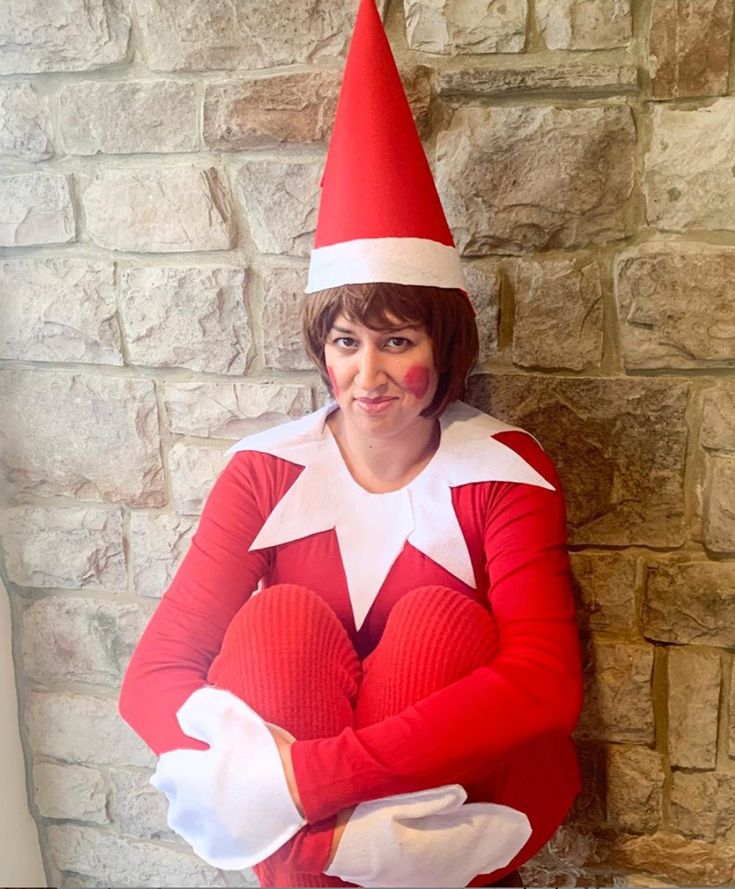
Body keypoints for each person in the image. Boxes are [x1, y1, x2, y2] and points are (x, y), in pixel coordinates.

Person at [118, 1, 583, 886]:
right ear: (320, 350)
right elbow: (155, 675)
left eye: (397, 339)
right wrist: (271, 804)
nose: (367, 372)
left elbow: (541, 682)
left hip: (454, 803)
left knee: (440, 625)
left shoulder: (505, 472)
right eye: (344, 342)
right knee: (279, 620)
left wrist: (304, 789)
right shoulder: (262, 472)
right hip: (305, 822)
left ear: (443, 347)